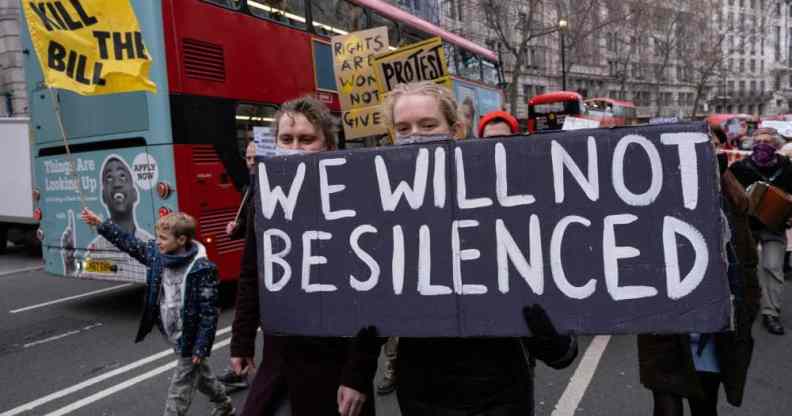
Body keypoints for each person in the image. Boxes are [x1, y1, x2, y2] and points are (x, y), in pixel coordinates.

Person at [383, 81, 578, 415]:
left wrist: (553, 338)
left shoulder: (507, 200)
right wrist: (356, 372)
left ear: (456, 129)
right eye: (403, 128)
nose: (414, 135)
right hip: (422, 392)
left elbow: (540, 285)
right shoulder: (384, 206)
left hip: (498, 389)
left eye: (428, 125)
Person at [228, 95, 379, 416]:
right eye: (287, 139)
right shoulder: (264, 196)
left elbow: (372, 294)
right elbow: (252, 272)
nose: (295, 147)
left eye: (306, 139)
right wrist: (241, 341)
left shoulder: (356, 197)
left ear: (327, 145)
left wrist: (358, 373)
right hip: (280, 357)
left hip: (334, 364)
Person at [636, 132, 760, 416]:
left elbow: (747, 262)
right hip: (666, 330)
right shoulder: (655, 195)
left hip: (711, 337)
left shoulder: (731, 203)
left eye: (711, 145)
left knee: (705, 407)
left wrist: (745, 309)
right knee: (667, 407)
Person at [80, 208, 233, 416]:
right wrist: (100, 223)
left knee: (179, 391)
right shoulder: (157, 256)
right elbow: (130, 244)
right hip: (172, 334)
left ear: (181, 240)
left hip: (190, 338)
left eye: (163, 238)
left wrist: (201, 347)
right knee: (201, 376)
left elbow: (209, 313)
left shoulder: (202, 269)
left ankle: (216, 405)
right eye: (157, 237)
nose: (157, 242)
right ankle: (224, 404)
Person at [730, 127, 792, 335]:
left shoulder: (787, 167)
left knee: (773, 267)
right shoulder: (740, 168)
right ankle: (743, 307)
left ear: (775, 145)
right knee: (742, 267)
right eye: (758, 141)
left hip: (775, 227)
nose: (762, 145)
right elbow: (729, 197)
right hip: (747, 227)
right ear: (752, 143)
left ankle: (770, 313)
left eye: (767, 141)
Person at [80, 155, 153, 280]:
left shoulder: (150, 245)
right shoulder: (95, 249)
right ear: (103, 196)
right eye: (109, 178)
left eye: (122, 176)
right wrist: (68, 263)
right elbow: (82, 269)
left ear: (135, 194)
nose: (117, 184)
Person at [225, 140, 257, 240]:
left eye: (256, 158)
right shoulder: (247, 189)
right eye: (248, 158)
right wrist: (236, 227)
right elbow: (245, 221)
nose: (252, 162)